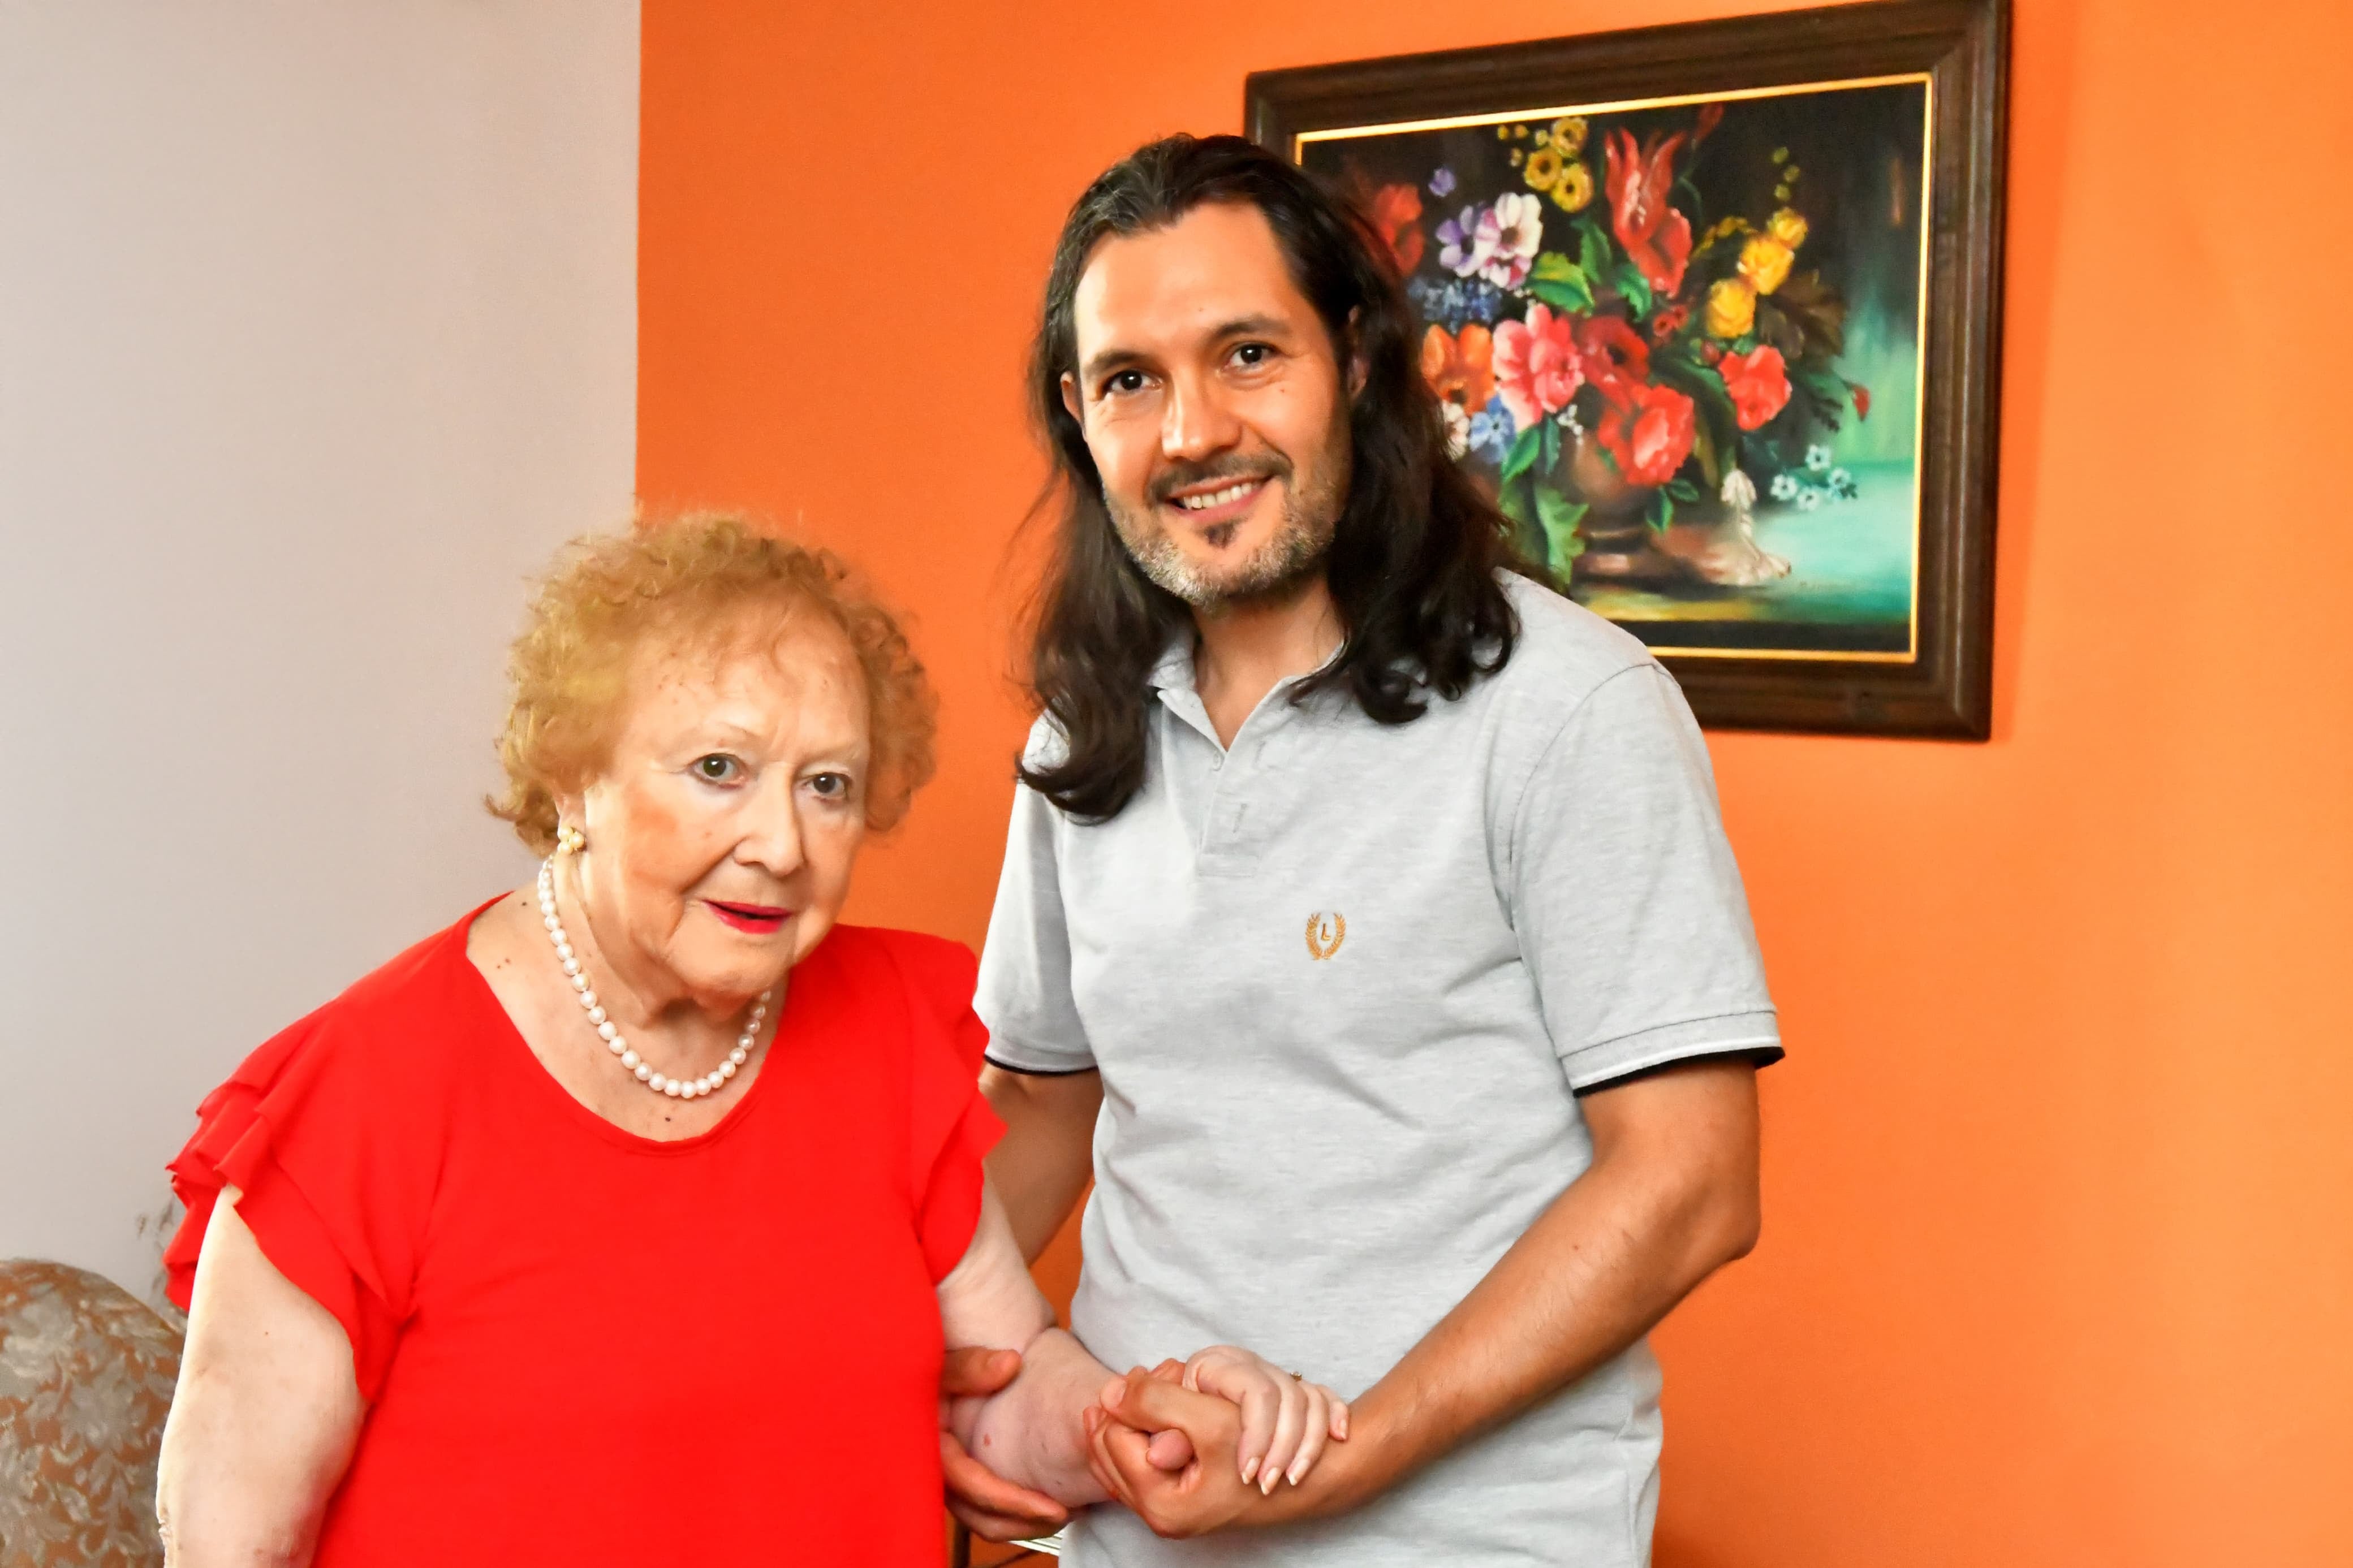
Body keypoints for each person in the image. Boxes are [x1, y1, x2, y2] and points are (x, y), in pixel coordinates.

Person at [153, 517, 1343, 1566]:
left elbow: (999, 1385)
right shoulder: (368, 1094)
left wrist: (1132, 1420)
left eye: (827, 784)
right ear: (577, 779)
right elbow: (232, 1546)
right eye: (719, 770)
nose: (781, 841)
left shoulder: (883, 1031)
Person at [959, 135, 1782, 1565]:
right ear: (1080, 425)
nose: (1192, 431)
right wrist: (952, 1387)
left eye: (1246, 355)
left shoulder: (1568, 708)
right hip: (1127, 1532)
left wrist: (1345, 1453)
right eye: (1130, 382)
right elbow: (1038, 1108)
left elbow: (1691, 1181)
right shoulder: (1080, 737)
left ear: (1352, 359)